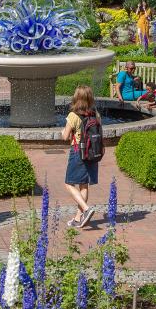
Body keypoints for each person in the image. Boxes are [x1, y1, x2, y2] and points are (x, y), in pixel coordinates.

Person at [61, 85, 100, 228]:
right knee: (84, 185)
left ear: (77, 97)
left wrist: (62, 131)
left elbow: (65, 136)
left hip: (78, 152)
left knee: (68, 183)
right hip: (92, 153)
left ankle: (86, 208)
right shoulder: (95, 114)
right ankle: (78, 219)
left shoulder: (73, 115)